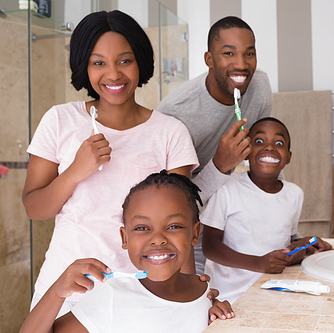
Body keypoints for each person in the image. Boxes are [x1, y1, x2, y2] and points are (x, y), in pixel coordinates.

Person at [22, 10, 199, 316]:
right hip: (67, 287)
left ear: (140, 61)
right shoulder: (59, 120)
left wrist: (193, 296)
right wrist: (76, 171)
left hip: (142, 292)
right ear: (84, 66)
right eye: (98, 62)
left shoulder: (170, 133)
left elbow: (180, 228)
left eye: (125, 60)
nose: (114, 74)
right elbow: (35, 209)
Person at [20, 171, 235, 333]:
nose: (158, 239)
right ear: (124, 238)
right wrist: (57, 292)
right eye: (142, 228)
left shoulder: (204, 292)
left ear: (195, 233)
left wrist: (221, 322)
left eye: (173, 226)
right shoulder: (112, 296)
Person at [157, 16, 273, 274]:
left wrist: (279, 213)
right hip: (185, 226)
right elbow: (169, 206)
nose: (241, 65)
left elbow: (267, 156)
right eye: (228, 53)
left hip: (227, 215)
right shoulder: (176, 113)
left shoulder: (260, 86)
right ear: (209, 59)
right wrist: (220, 165)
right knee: (193, 302)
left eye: (249, 53)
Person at [201, 117, 332, 303]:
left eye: (278, 143)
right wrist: (258, 263)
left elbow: (288, 239)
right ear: (246, 152)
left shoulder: (294, 194)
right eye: (259, 141)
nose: (269, 147)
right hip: (229, 298)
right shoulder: (226, 189)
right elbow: (210, 247)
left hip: (274, 291)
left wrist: (306, 243)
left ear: (288, 157)